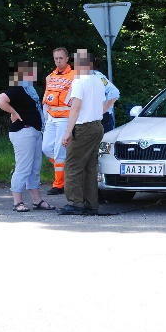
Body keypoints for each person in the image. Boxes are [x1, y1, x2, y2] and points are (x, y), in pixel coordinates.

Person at [0, 61, 55, 212]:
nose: (33, 73)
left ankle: (37, 200)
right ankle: (17, 202)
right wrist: (13, 113)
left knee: (35, 168)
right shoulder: (17, 88)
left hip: (34, 131)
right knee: (23, 167)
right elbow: (0, 100)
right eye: (30, 71)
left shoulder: (30, 89)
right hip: (23, 132)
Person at [59, 50, 107, 215]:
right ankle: (91, 203)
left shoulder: (79, 82)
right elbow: (103, 103)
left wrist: (67, 132)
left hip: (82, 127)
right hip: (97, 126)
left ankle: (75, 203)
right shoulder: (98, 80)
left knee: (73, 165)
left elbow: (75, 107)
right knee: (89, 166)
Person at [41, 47, 75, 195]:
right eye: (56, 58)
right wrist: (45, 118)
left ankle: (59, 184)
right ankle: (67, 173)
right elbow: (46, 99)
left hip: (65, 119)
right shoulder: (50, 77)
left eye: (61, 58)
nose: (58, 61)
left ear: (67, 59)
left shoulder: (75, 75)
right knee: (46, 148)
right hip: (51, 118)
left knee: (59, 151)